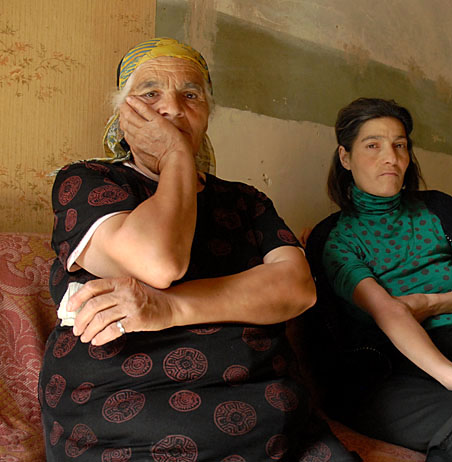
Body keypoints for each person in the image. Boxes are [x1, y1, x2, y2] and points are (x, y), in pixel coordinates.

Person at [39, 37, 359, 461]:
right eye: (150, 94)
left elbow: (297, 289)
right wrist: (176, 154)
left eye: (191, 95)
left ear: (207, 113)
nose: (172, 109)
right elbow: (159, 262)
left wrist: (169, 307)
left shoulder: (245, 200)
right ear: (122, 114)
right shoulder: (89, 181)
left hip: (270, 415)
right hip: (125, 417)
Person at [303, 97, 452, 461]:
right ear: (345, 157)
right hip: (388, 372)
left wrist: (434, 303)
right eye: (373, 145)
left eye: (400, 145)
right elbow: (387, 311)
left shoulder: (437, 210)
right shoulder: (337, 239)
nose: (391, 158)